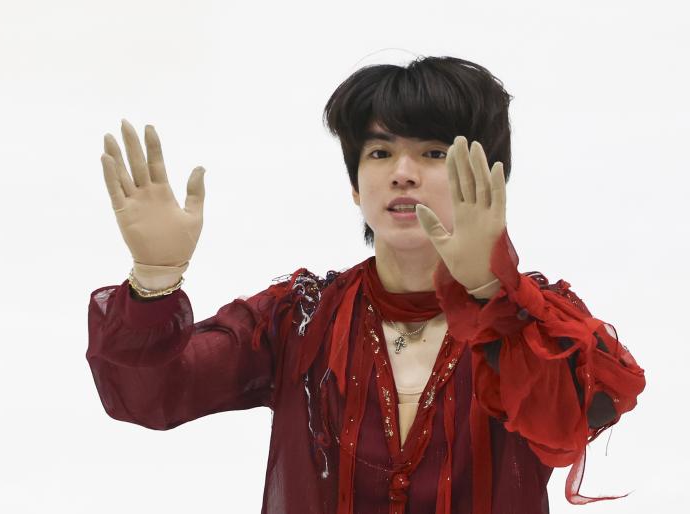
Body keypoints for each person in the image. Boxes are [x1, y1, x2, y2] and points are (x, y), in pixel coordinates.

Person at [86, 55, 646, 514]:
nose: (402, 172)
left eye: (432, 152)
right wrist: (154, 280)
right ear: (355, 185)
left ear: (489, 178)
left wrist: (490, 293)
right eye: (380, 153)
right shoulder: (299, 317)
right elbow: (151, 395)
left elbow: (582, 416)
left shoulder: (537, 322)